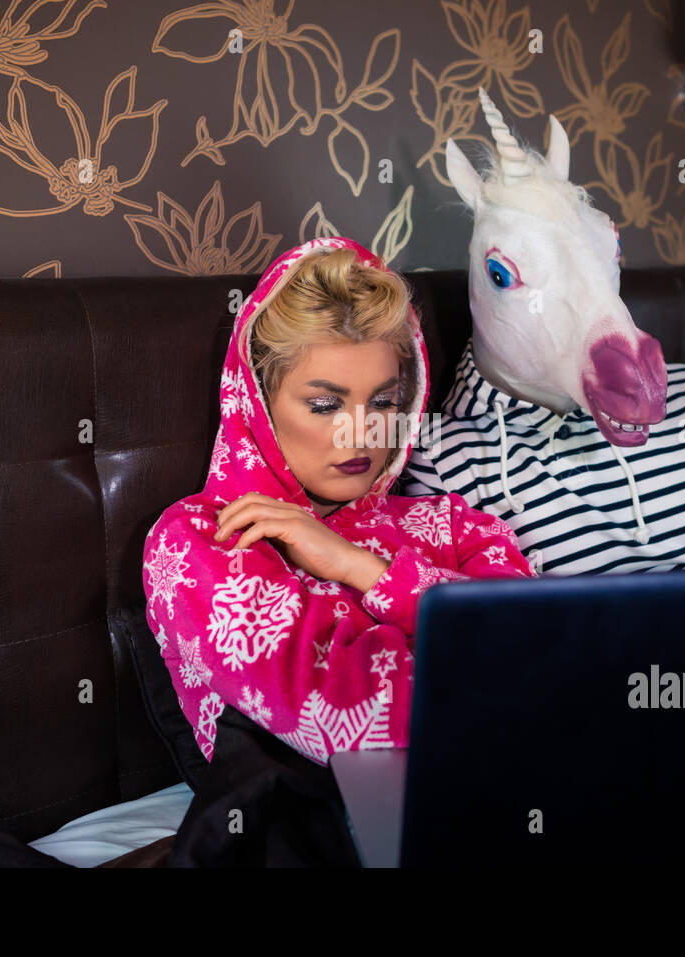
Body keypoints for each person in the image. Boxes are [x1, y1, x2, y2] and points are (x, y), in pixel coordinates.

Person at [142, 236, 534, 776]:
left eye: (384, 401)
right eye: (325, 405)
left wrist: (364, 569)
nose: (362, 432)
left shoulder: (454, 524)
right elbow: (369, 725)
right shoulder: (202, 541)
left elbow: (543, 642)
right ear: (256, 398)